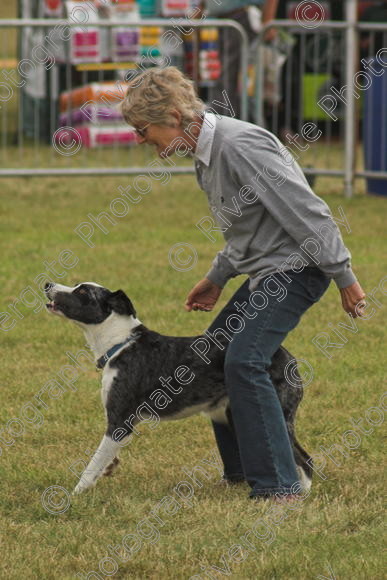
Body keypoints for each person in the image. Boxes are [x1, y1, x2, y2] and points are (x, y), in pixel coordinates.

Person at [121, 66, 366, 501]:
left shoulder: (240, 146)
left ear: (174, 117)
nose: (141, 140)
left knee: (244, 362)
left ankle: (279, 485)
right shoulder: (205, 153)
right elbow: (246, 230)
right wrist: (217, 277)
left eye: (143, 129)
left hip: (298, 268)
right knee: (211, 358)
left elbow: (308, 213)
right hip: (266, 272)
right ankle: (240, 470)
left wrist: (344, 276)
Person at [202, 0, 279, 118]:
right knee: (231, 79)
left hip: (241, 19)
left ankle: (224, 122)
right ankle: (224, 121)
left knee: (240, 82)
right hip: (227, 20)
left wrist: (268, 19)